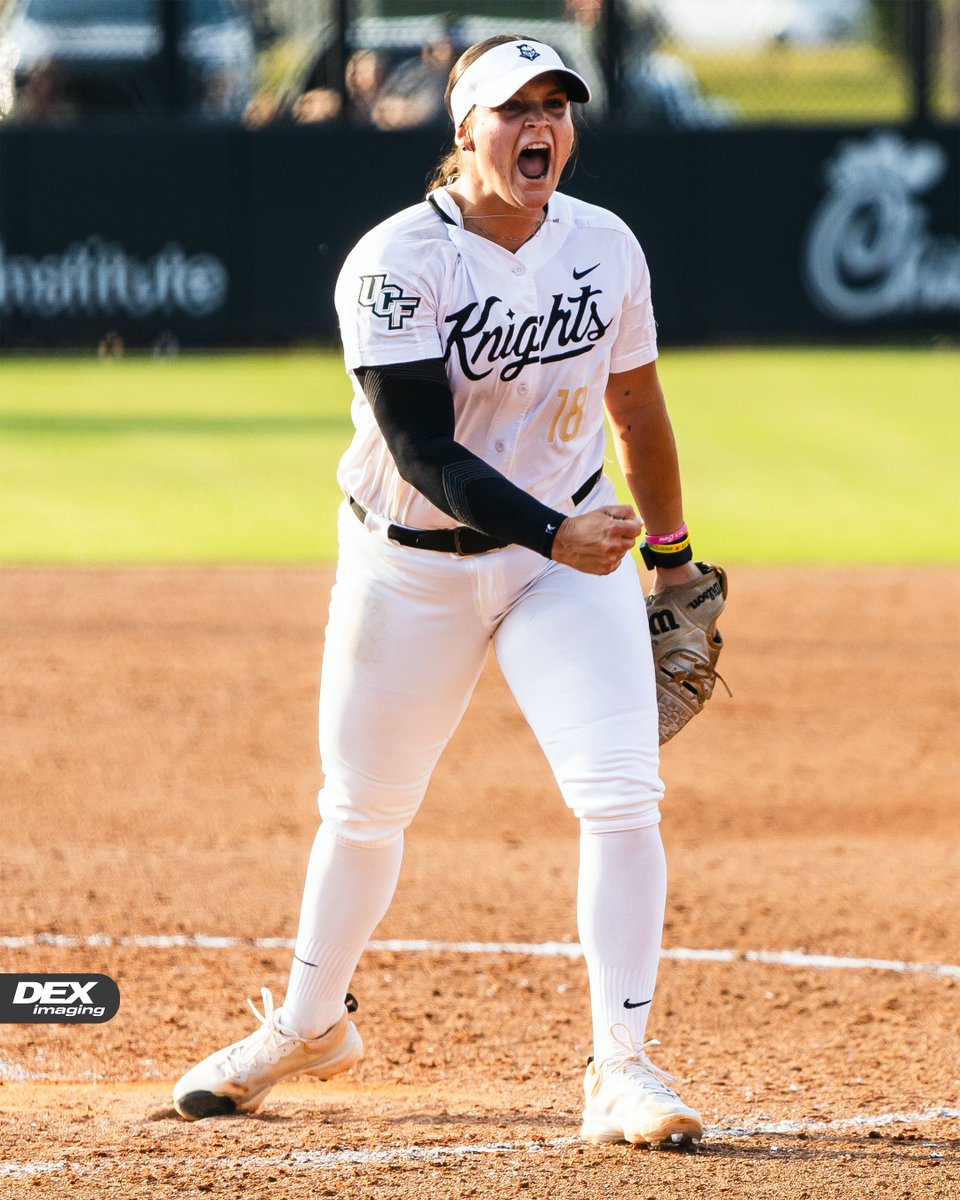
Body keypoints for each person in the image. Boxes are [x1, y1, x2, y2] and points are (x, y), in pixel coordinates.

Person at [173, 33, 707, 1148]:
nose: (542, 125)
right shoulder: (394, 261)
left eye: (559, 105)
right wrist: (555, 530)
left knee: (620, 794)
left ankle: (623, 1068)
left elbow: (639, 412)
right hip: (410, 565)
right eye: (517, 108)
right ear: (466, 127)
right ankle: (312, 1024)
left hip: (564, 571)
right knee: (364, 810)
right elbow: (422, 451)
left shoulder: (605, 246)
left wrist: (669, 556)